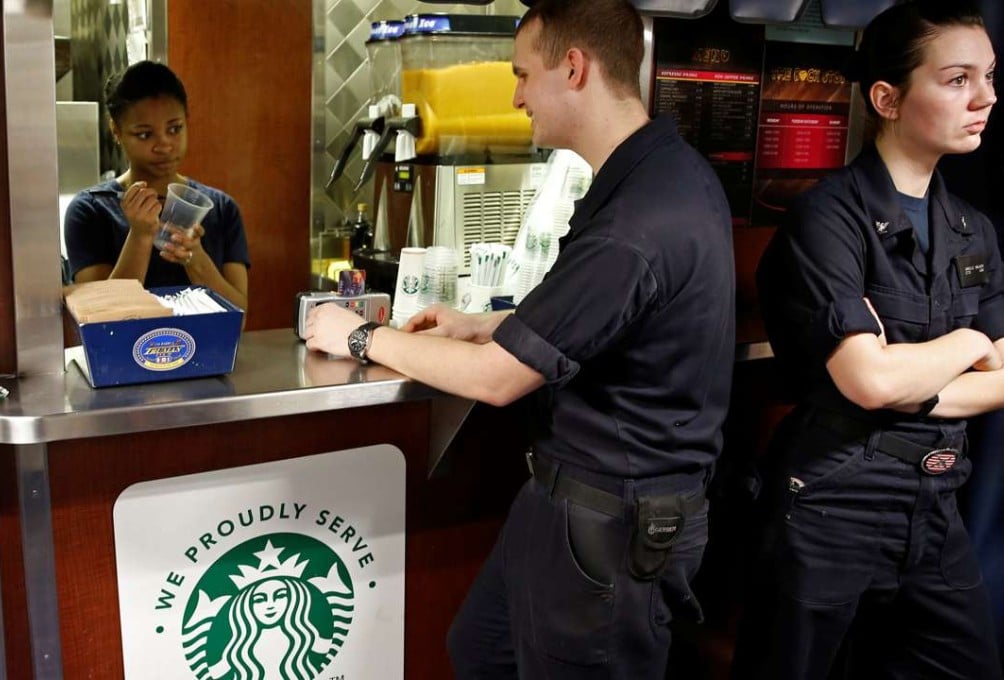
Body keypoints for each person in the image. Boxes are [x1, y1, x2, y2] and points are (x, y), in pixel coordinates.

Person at [303, 0, 735, 676]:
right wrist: (485, 324)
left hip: (609, 524)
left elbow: (497, 379)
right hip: (571, 504)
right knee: (482, 648)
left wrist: (359, 336)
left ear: (574, 67)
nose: (514, 96)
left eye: (522, 75)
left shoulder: (640, 218)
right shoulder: (660, 172)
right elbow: (613, 316)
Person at [733, 2, 1004, 678]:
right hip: (834, 503)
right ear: (887, 98)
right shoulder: (829, 219)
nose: (986, 97)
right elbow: (869, 381)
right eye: (957, 79)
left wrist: (909, 384)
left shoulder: (974, 230)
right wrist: (966, 340)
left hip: (937, 501)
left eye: (990, 77)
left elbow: (999, 379)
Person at [64, 60, 249, 312]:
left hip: (208, 351)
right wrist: (140, 236)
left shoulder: (221, 209)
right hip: (123, 352)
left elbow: (239, 321)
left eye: (174, 129)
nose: (164, 145)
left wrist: (195, 258)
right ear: (116, 131)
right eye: (144, 134)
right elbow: (101, 318)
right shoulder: (91, 211)